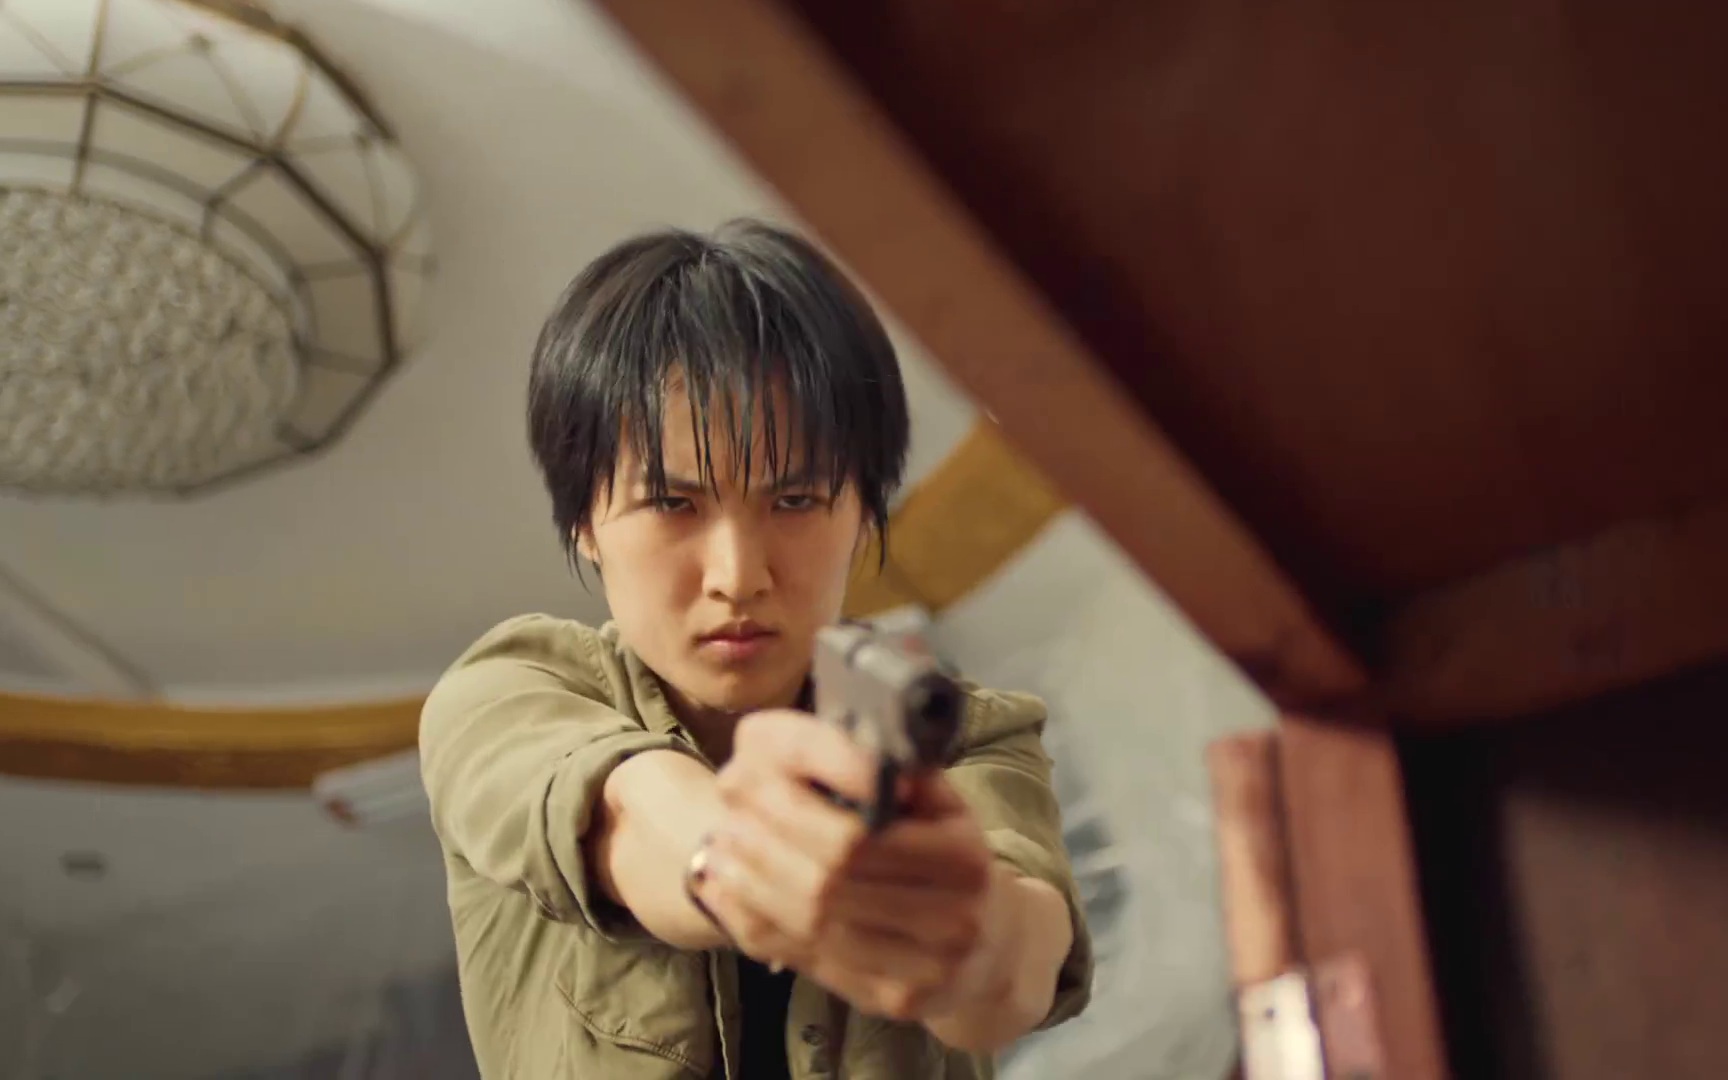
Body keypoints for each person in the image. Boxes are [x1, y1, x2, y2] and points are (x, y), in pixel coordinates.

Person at [419, 219, 1093, 1079]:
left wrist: (967, 938)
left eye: (797, 500)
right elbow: (626, 811)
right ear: (586, 519)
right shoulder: (508, 692)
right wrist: (743, 859)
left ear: (864, 514)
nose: (738, 577)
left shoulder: (962, 737)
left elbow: (1019, 960)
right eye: (672, 503)